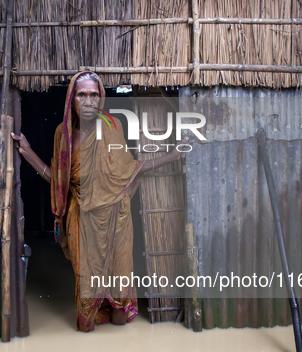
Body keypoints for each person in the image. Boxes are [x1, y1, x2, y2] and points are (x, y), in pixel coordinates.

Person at [11, 71, 188, 332]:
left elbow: (132, 168)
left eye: (94, 95)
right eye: (82, 95)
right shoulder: (64, 134)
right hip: (82, 222)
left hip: (117, 220)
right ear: (71, 99)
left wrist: (171, 156)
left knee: (119, 300)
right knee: (87, 300)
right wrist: (27, 151)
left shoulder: (112, 127)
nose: (89, 101)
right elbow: (58, 180)